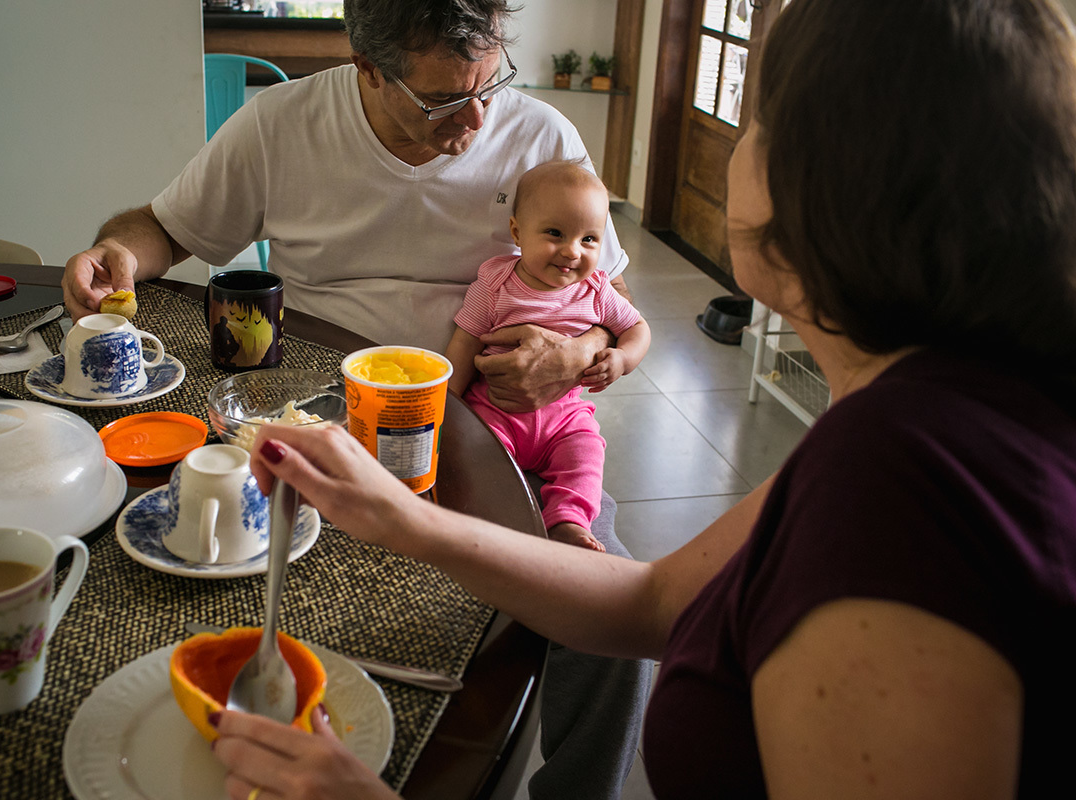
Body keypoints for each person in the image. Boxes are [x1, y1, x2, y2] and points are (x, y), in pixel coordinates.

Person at [210, 0, 1076, 797]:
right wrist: (410, 523)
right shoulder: (921, 421)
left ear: (828, 192)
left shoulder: (903, 500)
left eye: (759, 121)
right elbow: (653, 602)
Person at [62, 1, 651, 796]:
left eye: (491, 83)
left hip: (504, 427)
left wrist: (577, 352)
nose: (477, 120)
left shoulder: (540, 134)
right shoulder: (280, 123)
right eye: (444, 100)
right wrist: (115, 253)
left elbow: (607, 298)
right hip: (327, 417)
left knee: (609, 616)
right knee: (193, 571)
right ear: (367, 68)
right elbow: (164, 230)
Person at [445, 161, 651, 551]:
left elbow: (638, 329)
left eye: (589, 239)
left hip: (566, 417)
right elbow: (465, 341)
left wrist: (621, 360)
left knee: (586, 456)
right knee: (478, 461)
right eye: (555, 233)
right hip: (495, 410)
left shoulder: (595, 291)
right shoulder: (495, 285)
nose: (572, 251)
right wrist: (449, 405)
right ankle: (496, 521)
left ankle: (568, 523)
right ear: (517, 232)